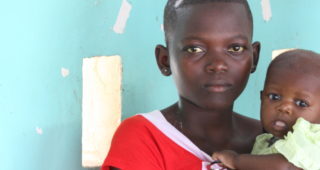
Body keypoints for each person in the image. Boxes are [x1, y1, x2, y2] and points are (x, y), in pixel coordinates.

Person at [101, 0, 262, 169]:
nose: (218, 64)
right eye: (195, 49)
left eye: (235, 48)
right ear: (165, 60)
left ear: (254, 58)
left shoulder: (276, 139)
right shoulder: (144, 138)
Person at [212, 49, 320, 170]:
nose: (284, 108)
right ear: (261, 98)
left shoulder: (312, 140)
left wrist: (235, 160)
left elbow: (285, 166)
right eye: (275, 97)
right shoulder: (267, 140)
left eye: (301, 103)